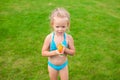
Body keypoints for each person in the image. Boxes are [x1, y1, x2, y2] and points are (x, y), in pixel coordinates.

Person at [42, 7, 75, 80]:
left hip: (63, 65)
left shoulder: (68, 38)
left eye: (63, 27)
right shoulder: (49, 38)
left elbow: (73, 52)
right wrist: (56, 52)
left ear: (67, 25)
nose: (60, 29)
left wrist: (65, 49)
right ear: (52, 25)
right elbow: (43, 53)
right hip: (52, 65)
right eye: (57, 27)